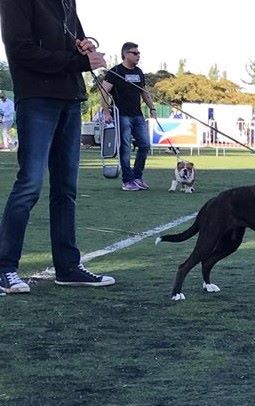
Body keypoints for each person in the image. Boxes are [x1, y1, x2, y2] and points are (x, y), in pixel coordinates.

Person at [0, 0, 115, 294]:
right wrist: (77, 62)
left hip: (70, 98)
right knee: (30, 184)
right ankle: (4, 268)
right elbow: (20, 50)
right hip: (36, 98)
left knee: (66, 188)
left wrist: (84, 48)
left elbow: (74, 40)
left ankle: (67, 267)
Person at [101, 42, 157, 191]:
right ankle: (127, 180)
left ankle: (137, 177)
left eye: (139, 53)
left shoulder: (139, 72)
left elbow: (144, 92)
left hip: (138, 115)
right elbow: (104, 91)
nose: (138, 56)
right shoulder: (115, 71)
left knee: (145, 145)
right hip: (121, 115)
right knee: (125, 147)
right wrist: (106, 112)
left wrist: (152, 107)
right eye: (135, 53)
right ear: (125, 54)